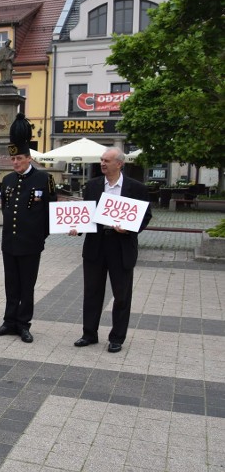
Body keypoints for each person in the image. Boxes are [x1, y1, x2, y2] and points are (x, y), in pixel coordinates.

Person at [71, 147, 152, 353]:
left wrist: (130, 228)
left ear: (119, 164)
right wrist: (75, 228)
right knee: (92, 292)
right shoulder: (92, 185)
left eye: (107, 160)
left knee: (122, 295)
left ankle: (117, 337)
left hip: (121, 245)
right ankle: (89, 333)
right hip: (96, 246)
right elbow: (85, 214)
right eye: (101, 160)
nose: (103, 163)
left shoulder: (136, 188)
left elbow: (145, 216)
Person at [0, 114, 55, 343]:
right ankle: (9, 321)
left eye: (19, 159)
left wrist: (41, 237)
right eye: (12, 159)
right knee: (11, 284)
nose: (15, 162)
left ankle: (23, 323)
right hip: (11, 243)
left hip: (31, 243)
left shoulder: (43, 179)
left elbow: (50, 210)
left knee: (27, 286)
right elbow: (6, 208)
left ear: (28, 158)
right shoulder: (7, 180)